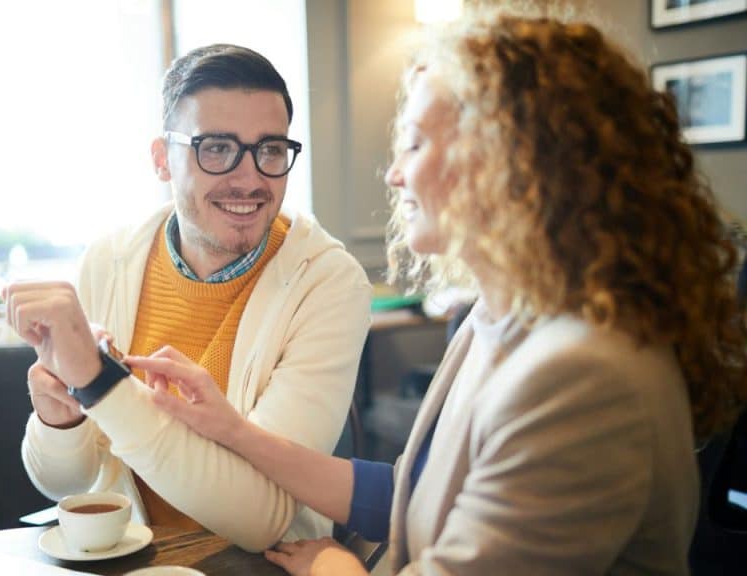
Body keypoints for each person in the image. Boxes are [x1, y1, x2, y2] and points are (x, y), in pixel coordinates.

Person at [123, 10, 747, 575]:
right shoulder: (493, 319)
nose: (394, 172)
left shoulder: (585, 378)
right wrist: (235, 431)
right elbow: (417, 492)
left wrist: (335, 571)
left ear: (509, 158)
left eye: (416, 143)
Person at [3, 44, 372, 551]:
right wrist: (59, 418)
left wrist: (101, 385)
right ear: (162, 160)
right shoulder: (108, 260)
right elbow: (63, 483)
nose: (249, 179)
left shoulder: (330, 285)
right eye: (216, 148)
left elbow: (260, 520)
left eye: (269, 149)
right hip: (125, 557)